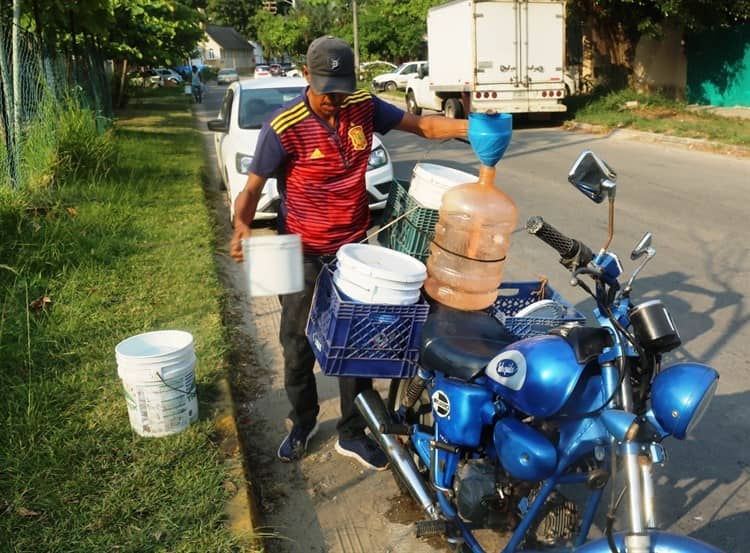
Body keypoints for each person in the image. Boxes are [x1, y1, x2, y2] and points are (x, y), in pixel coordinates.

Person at [230, 36, 468, 470]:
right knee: (296, 341)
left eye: (341, 88)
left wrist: (474, 128)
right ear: (306, 77)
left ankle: (352, 432)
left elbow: (424, 127)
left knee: (356, 342)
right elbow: (251, 189)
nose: (335, 100)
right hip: (294, 248)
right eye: (327, 90)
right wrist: (242, 227)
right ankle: (301, 422)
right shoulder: (282, 127)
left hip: (351, 249)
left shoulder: (363, 105)